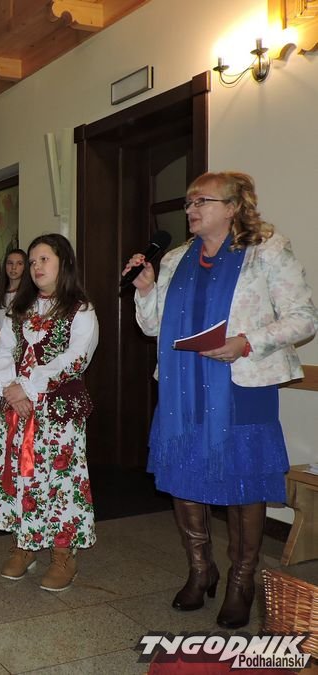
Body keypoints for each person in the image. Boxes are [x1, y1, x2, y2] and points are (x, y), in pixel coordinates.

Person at [124, 171, 318, 627]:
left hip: (241, 384)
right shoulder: (175, 259)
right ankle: (200, 569)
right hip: (182, 386)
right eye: (188, 203)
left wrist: (247, 342)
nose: (190, 210)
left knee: (244, 480)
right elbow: (153, 327)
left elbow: (304, 318)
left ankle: (242, 579)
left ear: (232, 208)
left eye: (202, 202)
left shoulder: (266, 250)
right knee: (184, 475)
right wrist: (146, 288)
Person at [0, 233, 99, 592]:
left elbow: (76, 357)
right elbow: (2, 351)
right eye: (32, 261)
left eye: (43, 259)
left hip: (58, 412)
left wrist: (30, 386)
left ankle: (64, 554)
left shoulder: (80, 309)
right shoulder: (19, 308)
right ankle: (24, 544)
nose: (36, 267)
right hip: (19, 411)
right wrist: (10, 387)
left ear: (63, 263)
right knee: (22, 475)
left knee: (61, 481)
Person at [0, 248, 27, 348]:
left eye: (19, 263)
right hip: (2, 347)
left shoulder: (30, 294)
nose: (13, 267)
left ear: (25, 267)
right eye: (10, 263)